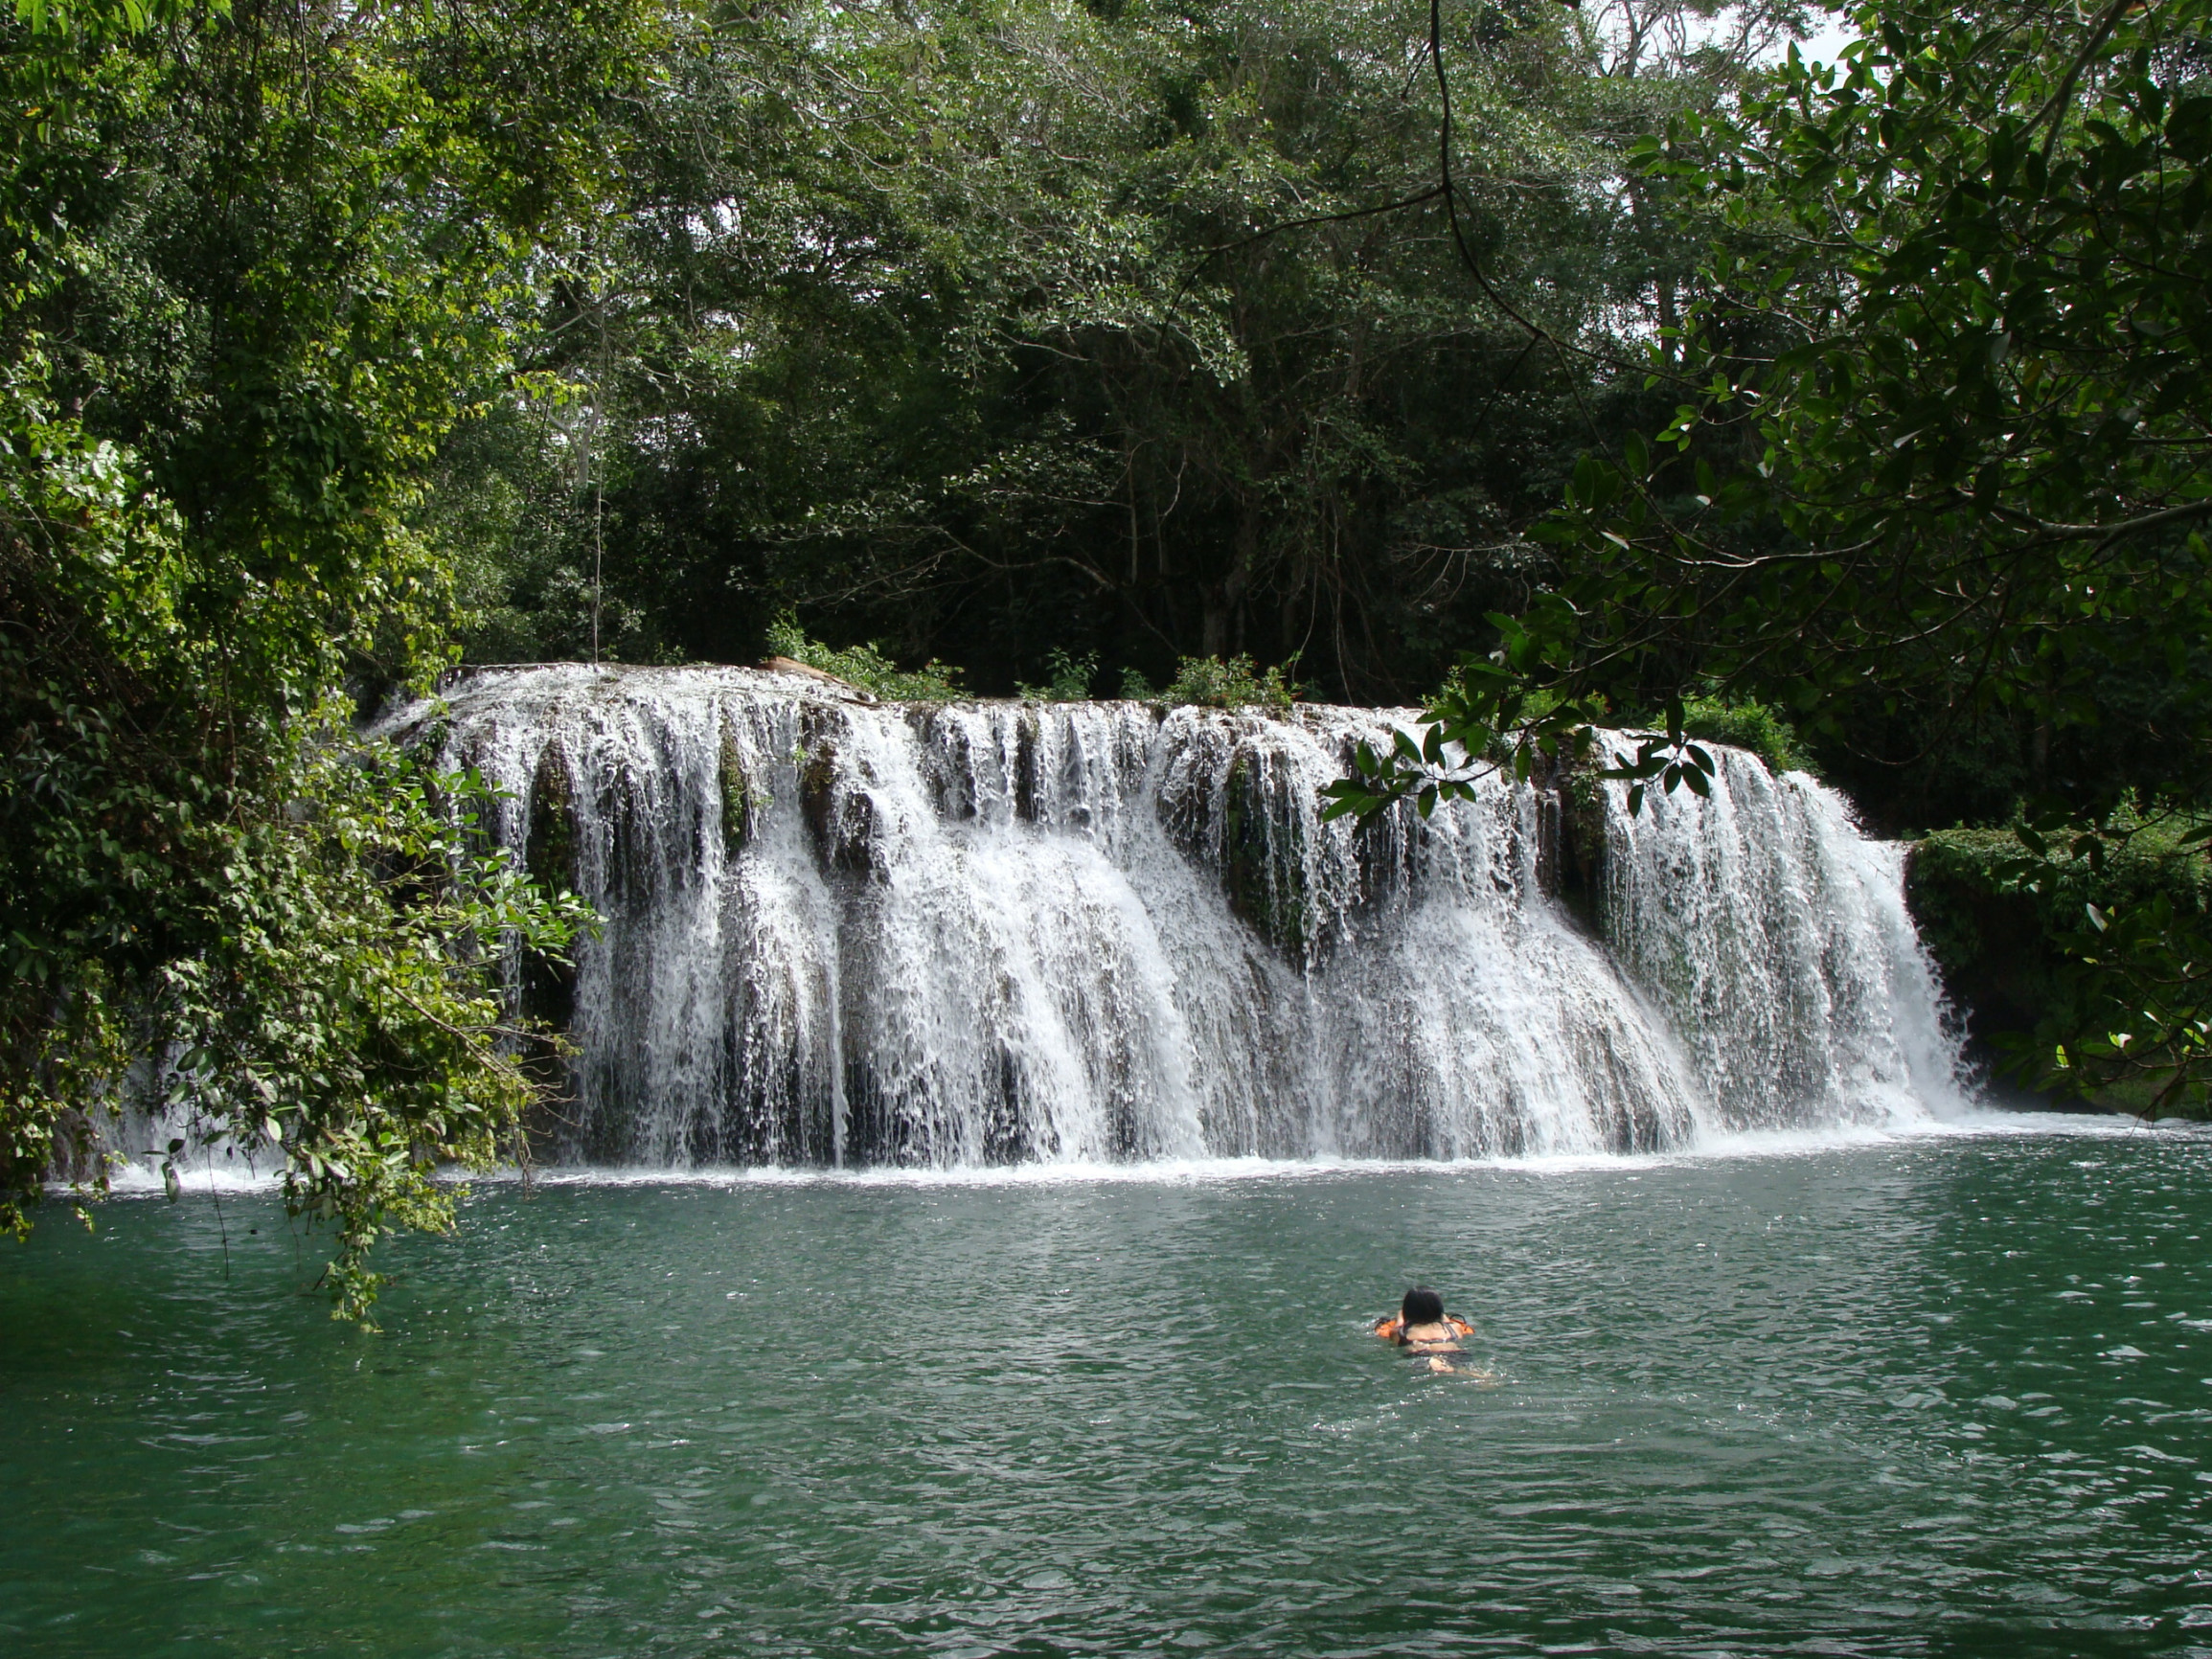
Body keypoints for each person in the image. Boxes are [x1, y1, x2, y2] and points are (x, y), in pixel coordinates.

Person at [1373, 1286, 1478, 1373]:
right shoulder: (1455, 1328)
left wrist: (1400, 1314)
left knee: (1429, 1362)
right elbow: (1445, 1320)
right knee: (1470, 1371)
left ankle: (1438, 1364)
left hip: (1421, 1355)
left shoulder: (1399, 1332)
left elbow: (1398, 1325)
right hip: (1455, 1354)